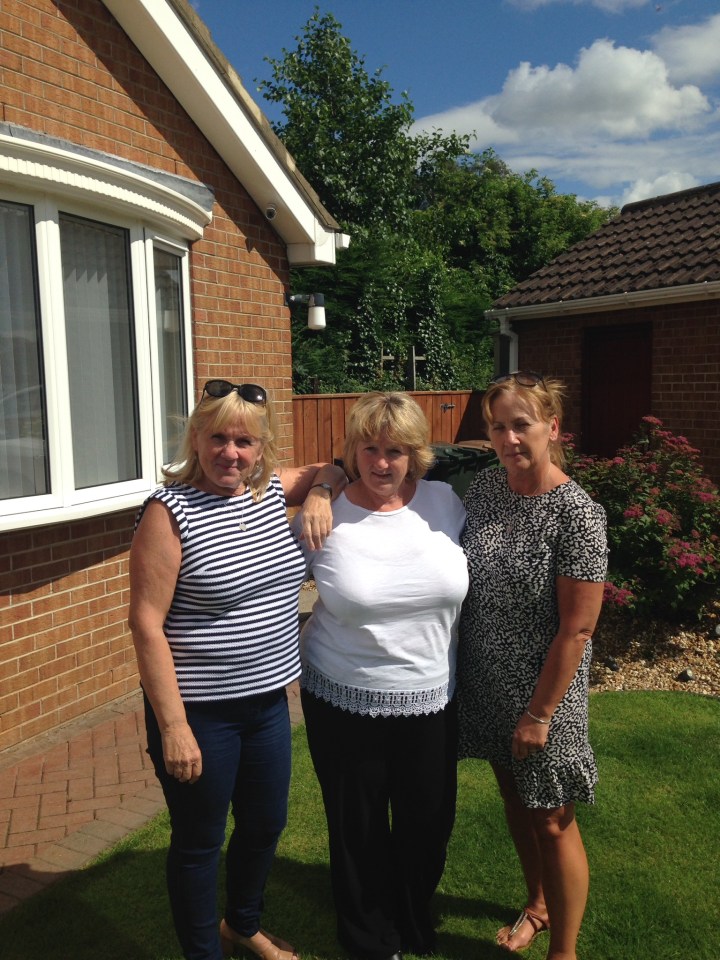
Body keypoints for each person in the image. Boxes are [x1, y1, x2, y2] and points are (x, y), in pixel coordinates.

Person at [128, 378, 347, 960]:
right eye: (219, 438)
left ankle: (242, 925)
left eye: (244, 441)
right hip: (200, 715)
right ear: (196, 439)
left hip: (269, 706)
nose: (231, 452)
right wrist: (174, 727)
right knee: (200, 844)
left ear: (260, 448)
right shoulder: (167, 512)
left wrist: (322, 491)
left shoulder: (271, 491)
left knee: (264, 825)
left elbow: (335, 465)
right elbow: (146, 624)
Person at [296, 391, 469, 960]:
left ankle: (411, 914)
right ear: (351, 451)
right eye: (369, 448)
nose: (381, 463)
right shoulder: (325, 515)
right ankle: (368, 937)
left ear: (416, 453)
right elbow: (250, 474)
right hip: (343, 697)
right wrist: (322, 485)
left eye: (395, 450)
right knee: (359, 828)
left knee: (428, 823)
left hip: (431, 697)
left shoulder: (447, 502)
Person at [457, 371, 607, 959]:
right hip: (488, 681)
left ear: (552, 427)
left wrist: (540, 714)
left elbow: (578, 628)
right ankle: (538, 905)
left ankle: (563, 952)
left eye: (521, 424)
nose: (509, 438)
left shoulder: (577, 514)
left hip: (546, 693)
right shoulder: (487, 490)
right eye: (497, 427)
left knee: (552, 819)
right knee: (517, 803)